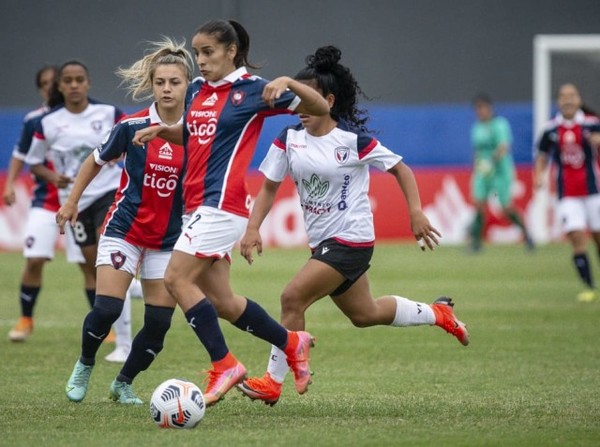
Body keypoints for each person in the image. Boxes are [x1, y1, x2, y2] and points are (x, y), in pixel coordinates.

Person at [235, 45, 470, 406]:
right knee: (365, 313)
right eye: (293, 100)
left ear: (326, 100)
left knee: (291, 297)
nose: (298, 108)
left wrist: (416, 212)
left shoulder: (351, 142)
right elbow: (268, 187)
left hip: (351, 240)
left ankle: (274, 380)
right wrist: (253, 228)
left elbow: (400, 169)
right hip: (324, 243)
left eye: (305, 97)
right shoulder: (288, 139)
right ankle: (439, 314)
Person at [132, 19, 330, 406]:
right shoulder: (197, 92)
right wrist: (163, 132)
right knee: (222, 302)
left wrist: (289, 82)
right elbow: (197, 137)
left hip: (222, 205)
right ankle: (291, 342)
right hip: (196, 207)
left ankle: (224, 363)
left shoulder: (254, 91)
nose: (200, 60)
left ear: (231, 51)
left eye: (207, 53)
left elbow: (320, 107)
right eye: (197, 53)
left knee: (176, 279)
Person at [58, 38, 193, 404]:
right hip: (125, 230)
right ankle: (85, 363)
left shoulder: (199, 131)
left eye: (175, 82)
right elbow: (94, 160)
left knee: (159, 325)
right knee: (107, 309)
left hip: (168, 240)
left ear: (188, 86)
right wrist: (71, 201)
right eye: (160, 82)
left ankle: (123, 382)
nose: (167, 88)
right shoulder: (131, 126)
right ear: (152, 85)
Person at [24, 60, 133, 359]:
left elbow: (133, 138)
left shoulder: (108, 113)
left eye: (79, 79)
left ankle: (124, 343)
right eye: (68, 80)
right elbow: (33, 161)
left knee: (109, 253)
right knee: (94, 265)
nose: (73, 85)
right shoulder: (45, 123)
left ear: (88, 83)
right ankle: (130, 289)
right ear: (59, 86)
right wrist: (51, 176)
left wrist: (121, 153)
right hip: (76, 199)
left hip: (109, 192)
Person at [5, 65, 91, 342]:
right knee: (34, 259)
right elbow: (22, 154)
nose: (49, 88)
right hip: (45, 201)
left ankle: (107, 325)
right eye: (44, 83)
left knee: (89, 264)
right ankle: (25, 319)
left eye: (54, 83)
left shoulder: (89, 116)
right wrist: (10, 184)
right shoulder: (36, 120)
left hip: (81, 203)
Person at [534, 83, 600, 302]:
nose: (568, 100)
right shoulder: (550, 129)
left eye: (572, 95)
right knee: (576, 237)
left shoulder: (592, 124)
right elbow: (542, 155)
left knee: (597, 238)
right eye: (563, 96)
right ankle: (590, 287)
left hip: (593, 192)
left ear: (579, 100)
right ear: (558, 101)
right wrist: (539, 176)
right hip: (568, 195)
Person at [468, 93, 534, 252]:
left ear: (489, 108)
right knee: (478, 204)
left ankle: (527, 236)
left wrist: (490, 162)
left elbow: (504, 147)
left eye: (482, 108)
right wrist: (477, 165)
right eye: (477, 108)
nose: (480, 111)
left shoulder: (499, 124)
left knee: (506, 208)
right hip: (482, 172)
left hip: (500, 171)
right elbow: (476, 150)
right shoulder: (476, 127)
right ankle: (476, 243)